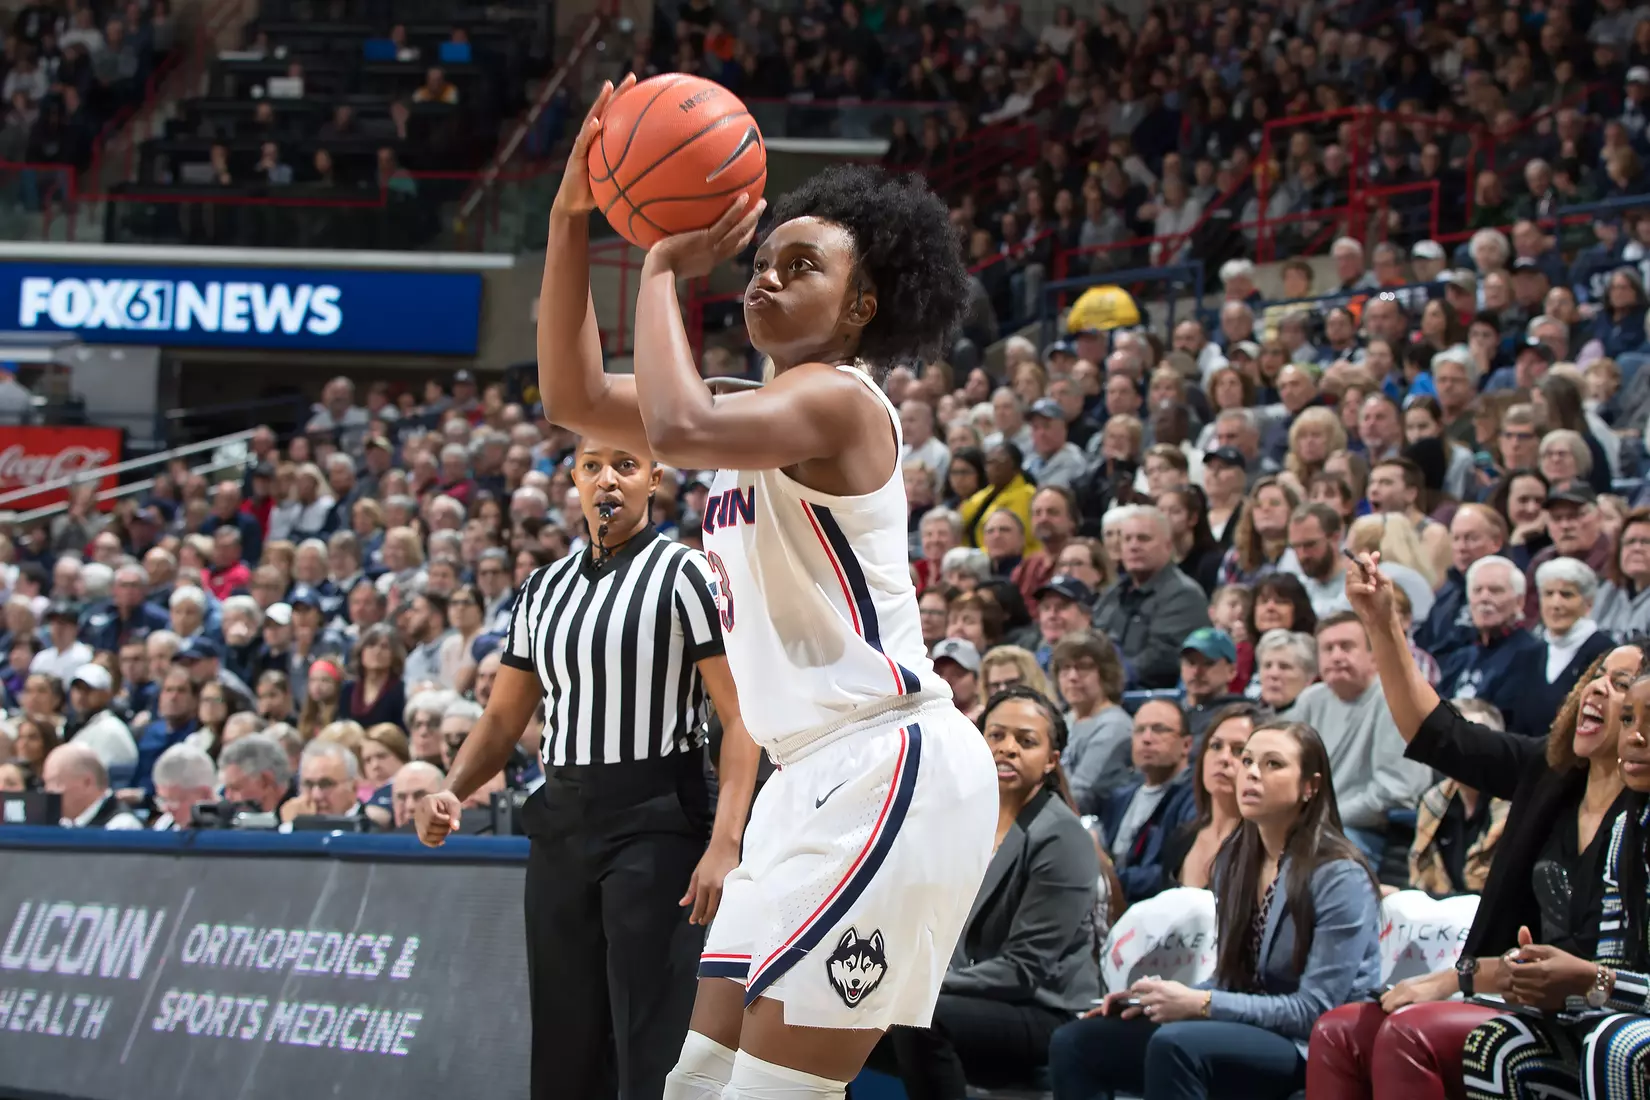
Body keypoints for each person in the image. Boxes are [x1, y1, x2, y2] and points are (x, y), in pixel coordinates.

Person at [533, 76, 998, 1098]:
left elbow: (679, 425)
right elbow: (573, 395)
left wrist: (661, 265)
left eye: (802, 265)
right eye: (761, 263)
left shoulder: (840, 402)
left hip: (889, 762)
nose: (767, 279)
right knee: (698, 1081)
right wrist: (572, 221)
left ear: (862, 307)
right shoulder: (755, 409)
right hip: (803, 777)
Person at [415, 438, 759, 1100]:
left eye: (626, 466)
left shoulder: (688, 573)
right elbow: (501, 718)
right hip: (564, 821)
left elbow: (740, 716)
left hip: (659, 819)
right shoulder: (542, 589)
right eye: (593, 466)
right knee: (564, 1034)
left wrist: (726, 842)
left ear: (654, 479)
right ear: (572, 479)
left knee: (650, 1038)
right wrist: (451, 789)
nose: (608, 481)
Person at [1308, 555, 1639, 1099]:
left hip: (1605, 1015)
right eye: (1595, 676)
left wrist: (1462, 978)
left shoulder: (1639, 814)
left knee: (1412, 1033)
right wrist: (1381, 623)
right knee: (1340, 1032)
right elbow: (1439, 734)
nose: (1597, 689)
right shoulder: (1549, 772)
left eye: (1620, 683)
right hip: (1523, 999)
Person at [1047, 721, 1383, 1100]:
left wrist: (1200, 1004)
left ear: (1310, 786)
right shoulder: (1234, 861)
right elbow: (1230, 981)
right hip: (1247, 1028)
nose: (1251, 773)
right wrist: (1157, 999)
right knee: (1077, 1040)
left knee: (1177, 1045)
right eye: (1248, 761)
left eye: (1273, 764)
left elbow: (1315, 1009)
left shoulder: (1339, 874)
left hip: (1313, 1046)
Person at [870, 688, 1099, 1094]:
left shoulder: (1061, 836)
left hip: (1045, 1009)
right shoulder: (963, 819)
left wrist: (917, 985)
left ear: (1051, 760)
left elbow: (1025, 968)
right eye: (996, 735)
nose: (1007, 748)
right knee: (841, 1010)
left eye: (1025, 741)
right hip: (967, 995)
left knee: (916, 1019)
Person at [1460, 670, 1650, 1097]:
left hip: (1626, 1032)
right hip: (1627, 1014)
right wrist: (1548, 984)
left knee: (1615, 1044)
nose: (1635, 737)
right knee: (1496, 1045)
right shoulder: (1628, 827)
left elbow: (1603, 979)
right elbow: (1610, 970)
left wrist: (1591, 980)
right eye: (1629, 720)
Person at [1092, 698, 1198, 901]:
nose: (1147, 738)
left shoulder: (1194, 799)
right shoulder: (1120, 798)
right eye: (1140, 730)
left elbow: (1172, 874)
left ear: (1186, 745)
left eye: (1159, 729)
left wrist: (1109, 877)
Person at [1158, 702, 1261, 890]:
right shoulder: (1181, 837)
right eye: (1215, 746)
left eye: (1239, 750)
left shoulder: (1264, 848)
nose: (1223, 758)